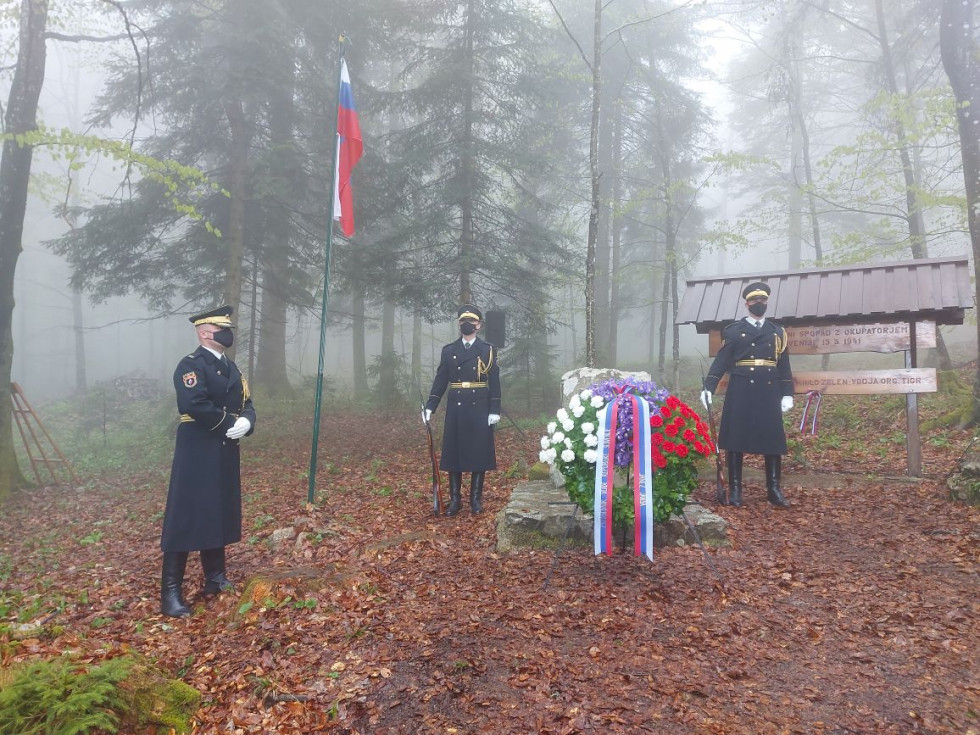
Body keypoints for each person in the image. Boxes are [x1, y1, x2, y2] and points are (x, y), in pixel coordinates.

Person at [159, 305, 255, 617]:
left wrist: (248, 422)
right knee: (186, 514)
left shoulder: (232, 367)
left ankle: (214, 578)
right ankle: (170, 593)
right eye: (221, 328)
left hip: (224, 448)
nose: (227, 333)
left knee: (217, 510)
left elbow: (247, 402)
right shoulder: (191, 365)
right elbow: (193, 403)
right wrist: (230, 422)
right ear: (204, 332)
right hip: (197, 447)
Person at [700, 282, 794, 508]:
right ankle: (735, 490)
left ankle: (773, 489)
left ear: (767, 302)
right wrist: (708, 388)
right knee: (736, 438)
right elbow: (722, 360)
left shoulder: (777, 332)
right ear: (747, 303)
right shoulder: (733, 330)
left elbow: (784, 365)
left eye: (762, 300)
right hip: (741, 387)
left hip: (769, 388)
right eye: (754, 301)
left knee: (772, 438)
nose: (759, 304)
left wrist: (787, 393)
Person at [423, 304, 501, 516]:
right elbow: (440, 380)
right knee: (454, 452)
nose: (466, 325)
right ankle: (455, 500)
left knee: (479, 452)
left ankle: (476, 499)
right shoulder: (449, 351)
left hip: (480, 405)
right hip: (456, 404)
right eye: (462, 322)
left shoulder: (488, 350)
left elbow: (494, 381)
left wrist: (495, 409)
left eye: (471, 321)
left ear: (479, 325)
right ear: (459, 325)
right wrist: (430, 406)